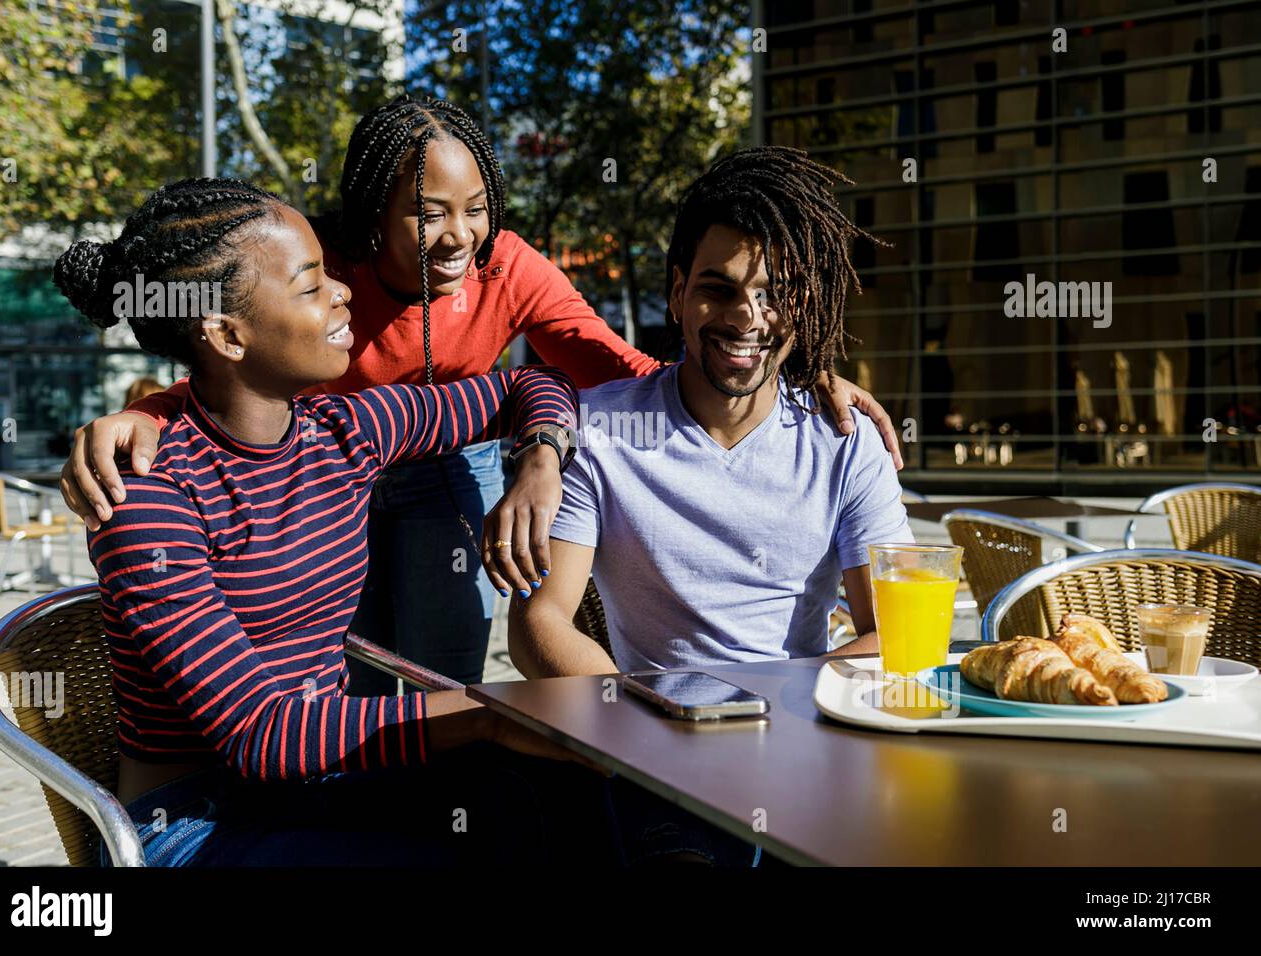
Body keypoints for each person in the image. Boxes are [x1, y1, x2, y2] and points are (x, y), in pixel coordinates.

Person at [56, 96, 902, 690]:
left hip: (445, 461)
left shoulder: (509, 268)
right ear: (374, 213)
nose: (459, 233)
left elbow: (611, 364)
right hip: (326, 469)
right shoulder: (325, 281)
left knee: (433, 663)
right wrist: (141, 414)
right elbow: (222, 358)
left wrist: (775, 371)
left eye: (477, 207)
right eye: (428, 211)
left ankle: (416, 791)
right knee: (327, 663)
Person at [52, 176, 620, 866]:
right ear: (227, 334)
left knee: (574, 792)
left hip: (328, 784)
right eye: (311, 284)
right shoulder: (147, 495)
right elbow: (261, 734)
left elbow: (531, 382)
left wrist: (539, 457)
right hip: (198, 824)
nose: (343, 293)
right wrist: (490, 718)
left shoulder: (346, 430)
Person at [509, 146, 915, 679]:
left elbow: (898, 633)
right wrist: (640, 719)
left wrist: (771, 710)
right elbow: (539, 621)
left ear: (806, 303)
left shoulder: (847, 440)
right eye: (719, 290)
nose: (747, 316)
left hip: (806, 735)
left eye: (776, 293)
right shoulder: (598, 433)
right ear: (678, 295)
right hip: (652, 741)